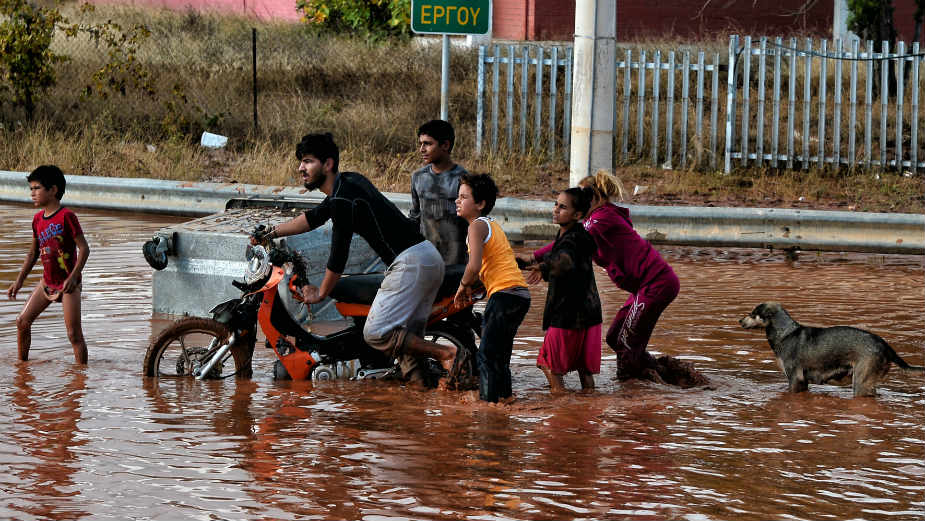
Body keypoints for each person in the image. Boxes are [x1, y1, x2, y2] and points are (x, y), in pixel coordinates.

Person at [261, 133, 461, 387]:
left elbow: (338, 254)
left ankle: (446, 354)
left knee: (376, 333)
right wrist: (272, 232)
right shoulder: (347, 183)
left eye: (308, 161)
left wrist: (321, 293)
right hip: (425, 257)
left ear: (328, 164)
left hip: (410, 263)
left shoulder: (343, 198)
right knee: (407, 347)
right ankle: (418, 406)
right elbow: (312, 218)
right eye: (301, 162)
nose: (301, 168)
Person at [578, 170, 681, 381]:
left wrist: (536, 259)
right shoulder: (600, 217)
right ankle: (663, 375)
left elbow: (574, 242)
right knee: (615, 337)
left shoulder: (601, 218)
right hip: (645, 287)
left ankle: (632, 392)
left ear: (594, 198)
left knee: (626, 343)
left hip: (656, 284)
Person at [453, 173, 530, 404]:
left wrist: (463, 286)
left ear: (480, 204)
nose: (457, 201)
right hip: (519, 295)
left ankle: (488, 405)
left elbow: (474, 266)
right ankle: (505, 397)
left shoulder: (476, 226)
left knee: (486, 354)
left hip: (504, 294)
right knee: (500, 353)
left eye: (464, 197)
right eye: (458, 196)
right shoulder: (491, 225)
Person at [523, 187, 602, 394]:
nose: (556, 210)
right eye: (556, 204)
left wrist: (543, 267)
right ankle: (588, 414)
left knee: (548, 365)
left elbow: (564, 260)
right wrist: (537, 261)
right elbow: (559, 252)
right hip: (590, 314)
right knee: (585, 372)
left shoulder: (571, 239)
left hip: (567, 314)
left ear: (577, 215)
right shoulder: (577, 235)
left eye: (563, 207)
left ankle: (561, 413)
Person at [8, 165, 90, 364]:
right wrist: (19, 281)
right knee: (22, 322)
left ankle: (81, 378)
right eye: (31, 189)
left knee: (74, 334)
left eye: (36, 188)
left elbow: (84, 249)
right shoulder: (37, 220)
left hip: (68, 285)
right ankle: (22, 368)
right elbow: (33, 253)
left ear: (53, 190)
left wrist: (73, 277)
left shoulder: (67, 216)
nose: (32, 193)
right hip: (47, 283)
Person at [408, 119, 469, 266]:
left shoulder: (463, 180)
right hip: (426, 260)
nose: (422, 149)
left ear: (445, 145)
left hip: (456, 261)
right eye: (420, 144)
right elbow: (415, 217)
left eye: (428, 144)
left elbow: (473, 223)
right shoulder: (418, 177)